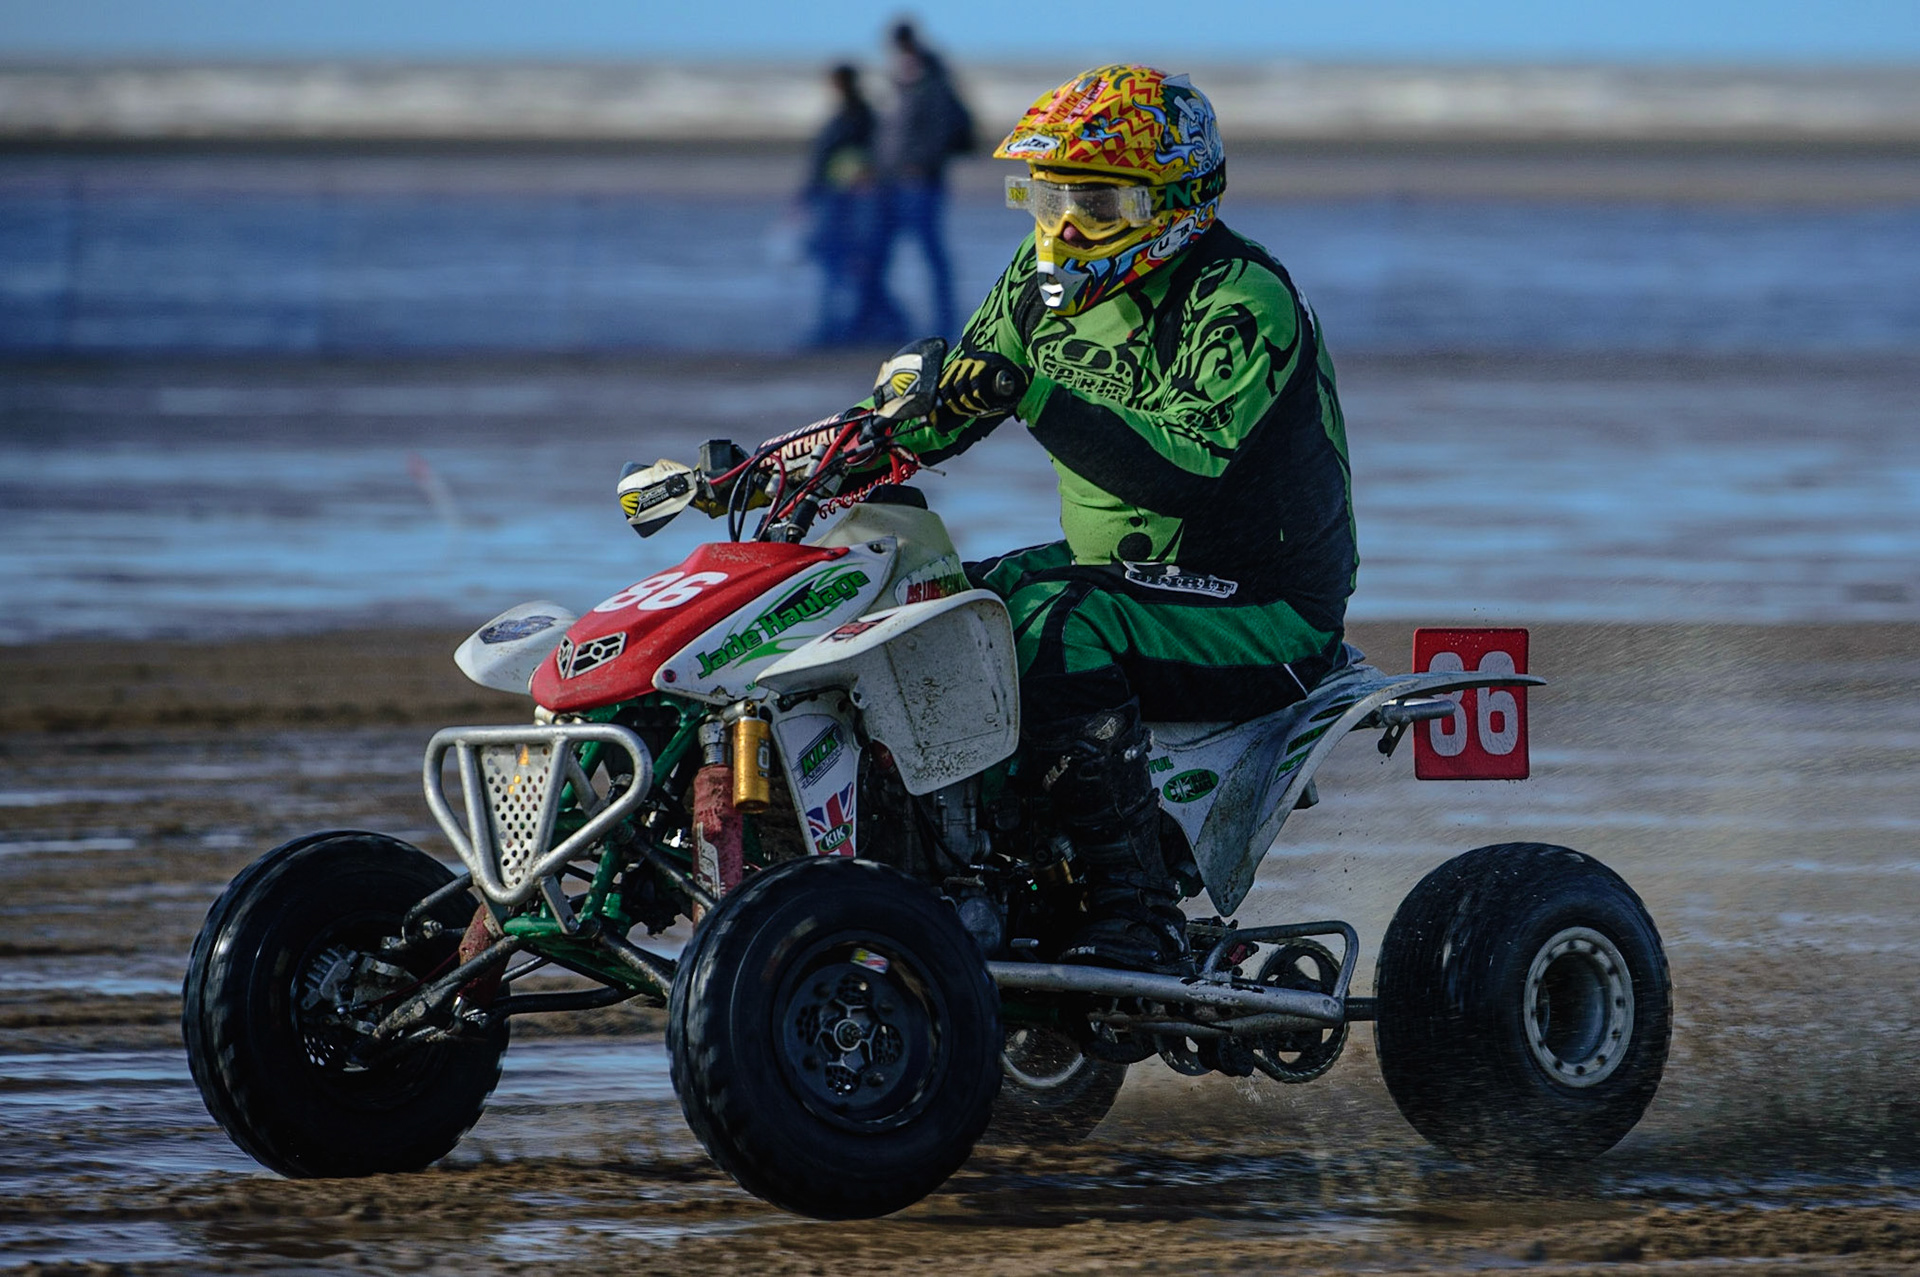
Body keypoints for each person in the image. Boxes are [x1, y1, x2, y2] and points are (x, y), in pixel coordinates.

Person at [880, 65, 1359, 973]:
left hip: (1265, 607)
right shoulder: (1037, 277)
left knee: (1058, 619)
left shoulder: (1242, 300)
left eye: (1096, 203)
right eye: (1047, 195)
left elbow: (1182, 470)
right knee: (937, 607)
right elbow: (947, 414)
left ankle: (1135, 907)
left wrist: (1038, 395)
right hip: (1131, 578)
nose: (1064, 228)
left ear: (1175, 203)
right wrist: (816, 456)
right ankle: (961, 874)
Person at [872, 21, 973, 339]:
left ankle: (944, 324)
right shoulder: (901, 79)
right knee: (881, 254)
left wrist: (921, 164)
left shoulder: (930, 80)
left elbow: (938, 128)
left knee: (931, 255)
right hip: (893, 181)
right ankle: (892, 322)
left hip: (920, 183)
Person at [798, 64, 900, 346]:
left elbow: (866, 159)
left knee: (848, 268)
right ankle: (848, 327)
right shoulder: (852, 114)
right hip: (836, 198)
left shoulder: (857, 116)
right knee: (846, 269)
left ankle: (836, 330)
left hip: (847, 201)